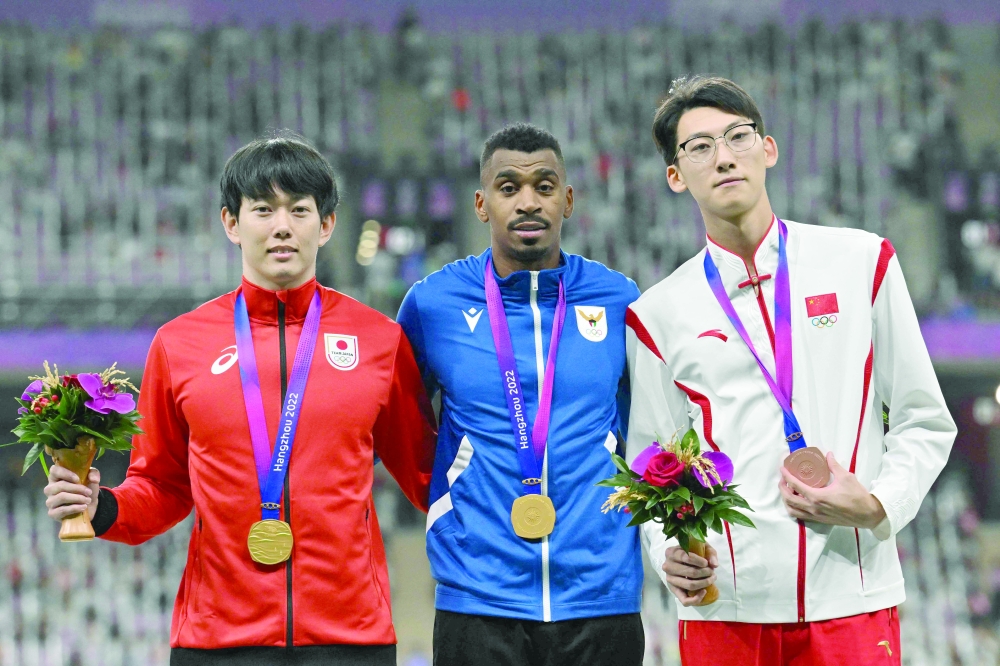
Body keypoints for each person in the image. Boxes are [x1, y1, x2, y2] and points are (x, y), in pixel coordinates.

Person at [43, 133, 436, 666]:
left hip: (350, 640)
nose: (281, 226)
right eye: (262, 209)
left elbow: (427, 480)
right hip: (218, 641)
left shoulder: (380, 340)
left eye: (299, 209)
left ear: (327, 225)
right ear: (231, 222)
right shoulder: (179, 344)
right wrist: (102, 506)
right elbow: (161, 485)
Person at [625, 76, 956, 665]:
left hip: (852, 600)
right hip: (724, 610)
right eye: (699, 147)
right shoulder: (657, 314)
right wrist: (666, 549)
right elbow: (652, 463)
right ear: (675, 175)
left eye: (738, 136)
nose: (723, 156)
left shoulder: (861, 262)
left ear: (768, 149)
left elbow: (925, 420)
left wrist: (879, 502)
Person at [396, 123, 645, 666]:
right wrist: (447, 501)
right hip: (478, 597)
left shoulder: (620, 299)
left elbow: (643, 428)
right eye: (509, 188)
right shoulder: (433, 304)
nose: (528, 201)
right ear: (482, 204)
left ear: (569, 199)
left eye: (545, 186)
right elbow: (403, 429)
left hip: (600, 594)